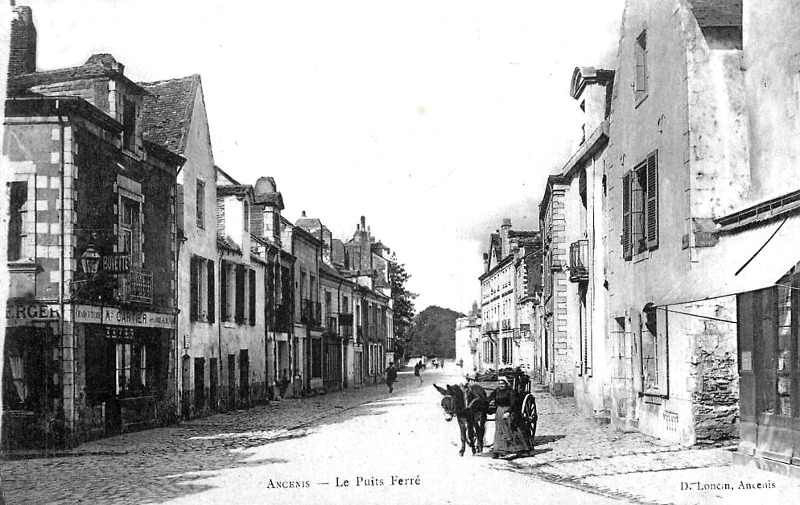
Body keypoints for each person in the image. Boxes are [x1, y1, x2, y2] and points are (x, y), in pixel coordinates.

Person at [489, 376, 531, 459]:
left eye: (502, 383)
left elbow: (513, 403)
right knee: (499, 430)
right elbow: (491, 397)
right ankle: (497, 450)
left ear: (506, 383)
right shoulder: (497, 391)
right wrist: (491, 400)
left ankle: (518, 449)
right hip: (499, 412)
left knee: (510, 430)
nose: (501, 385)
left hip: (508, 412)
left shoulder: (511, 392)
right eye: (499, 383)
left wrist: (508, 412)